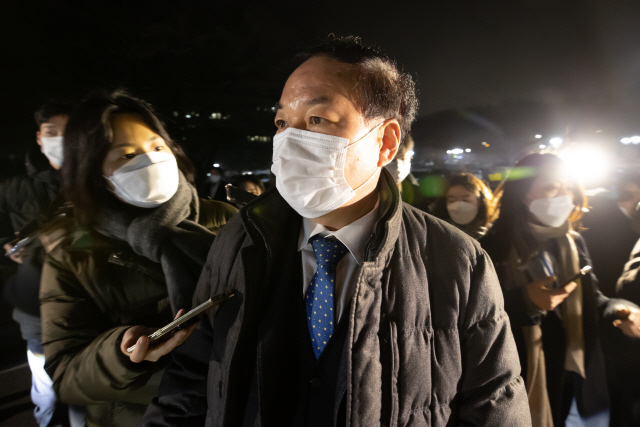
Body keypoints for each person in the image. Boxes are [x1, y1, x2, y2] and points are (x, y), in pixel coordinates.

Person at [144, 36, 530, 427]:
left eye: (317, 120)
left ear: (385, 142)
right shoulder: (239, 239)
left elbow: (494, 404)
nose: (288, 141)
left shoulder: (457, 261)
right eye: (282, 122)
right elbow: (191, 383)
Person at [39, 91, 237, 427]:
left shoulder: (224, 217)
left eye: (157, 147)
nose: (150, 160)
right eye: (127, 155)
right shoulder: (73, 255)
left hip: (234, 405)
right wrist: (120, 354)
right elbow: (65, 374)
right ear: (92, 172)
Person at [482, 153, 640, 427]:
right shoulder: (492, 246)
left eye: (567, 187)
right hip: (519, 374)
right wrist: (526, 302)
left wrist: (619, 310)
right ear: (523, 194)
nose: (563, 196)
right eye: (551, 187)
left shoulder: (573, 242)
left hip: (574, 369)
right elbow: (476, 314)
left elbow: (594, 299)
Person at [0, 101, 72, 427]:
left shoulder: (98, 182)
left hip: (89, 304)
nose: (60, 140)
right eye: (51, 132)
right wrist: (5, 244)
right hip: (36, 308)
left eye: (68, 133)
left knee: (84, 391)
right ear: (40, 138)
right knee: (46, 389)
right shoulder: (14, 188)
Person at [581, 173, 640, 298]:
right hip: (604, 285)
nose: (635, 200)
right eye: (630, 194)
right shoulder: (599, 218)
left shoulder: (636, 221)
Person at [431, 172, 496, 240]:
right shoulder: (436, 233)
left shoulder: (494, 234)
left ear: (480, 201)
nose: (459, 206)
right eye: (452, 201)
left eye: (466, 200)